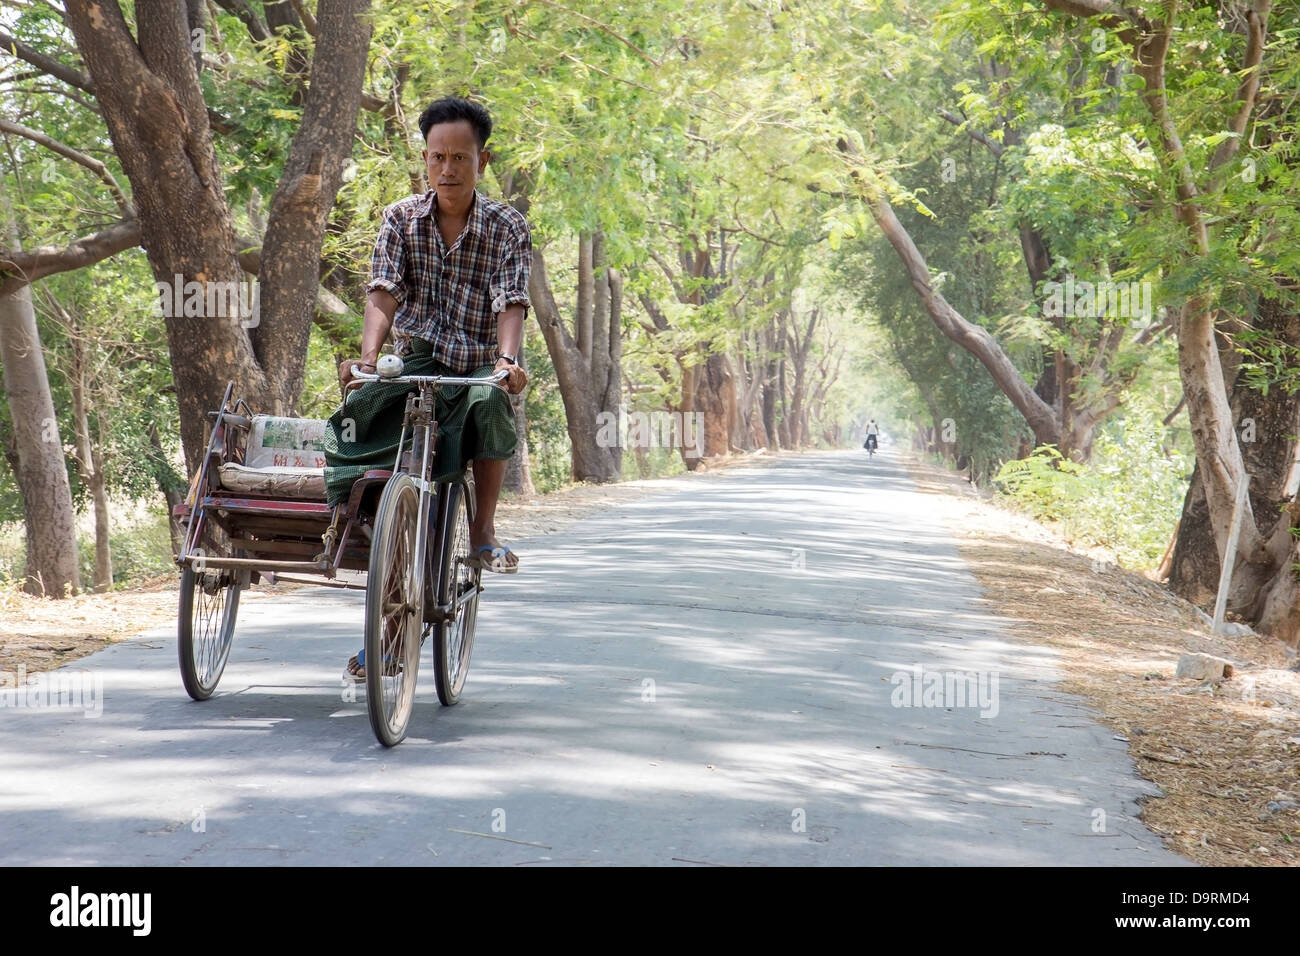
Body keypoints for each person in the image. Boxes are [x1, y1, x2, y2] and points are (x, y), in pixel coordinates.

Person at [327, 96, 531, 681]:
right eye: (437, 157)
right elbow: (383, 292)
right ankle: (376, 583)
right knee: (362, 437)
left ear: (482, 160)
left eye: (460, 157)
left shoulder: (507, 227)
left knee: (493, 400)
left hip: (473, 365)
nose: (447, 168)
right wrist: (368, 357)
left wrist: (507, 361)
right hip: (413, 361)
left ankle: (484, 533)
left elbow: (510, 302)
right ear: (424, 159)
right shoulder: (400, 219)